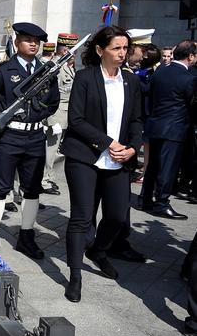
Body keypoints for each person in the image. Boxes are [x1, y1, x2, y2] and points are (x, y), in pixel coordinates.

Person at [59, 26, 142, 302]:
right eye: (116, 48)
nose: (122, 54)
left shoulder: (131, 82)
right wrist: (109, 143)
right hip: (85, 155)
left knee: (118, 215)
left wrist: (132, 148)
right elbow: (77, 120)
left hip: (120, 159)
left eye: (125, 48)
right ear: (100, 50)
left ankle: (99, 250)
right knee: (82, 218)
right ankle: (75, 275)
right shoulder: (85, 78)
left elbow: (137, 121)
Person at [0, 22, 60, 256]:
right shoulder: (3, 70)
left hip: (35, 136)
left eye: (37, 41)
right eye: (27, 39)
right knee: (0, 188)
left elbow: (52, 103)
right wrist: (1, 120)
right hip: (10, 135)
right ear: (17, 42)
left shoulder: (46, 72)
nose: (33, 44)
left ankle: (26, 236)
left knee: (32, 189)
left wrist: (36, 113)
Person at [139, 40, 197, 219]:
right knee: (168, 168)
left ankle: (146, 199)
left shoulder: (160, 72)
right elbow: (192, 105)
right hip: (175, 128)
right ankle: (162, 203)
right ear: (191, 56)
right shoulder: (189, 78)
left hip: (155, 125)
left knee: (153, 166)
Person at [41, 34, 80, 195]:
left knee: (57, 151)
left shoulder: (69, 66)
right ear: (65, 50)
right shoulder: (55, 67)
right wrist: (50, 120)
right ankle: (44, 180)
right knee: (50, 151)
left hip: (65, 116)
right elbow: (47, 95)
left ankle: (49, 178)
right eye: (73, 51)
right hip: (56, 116)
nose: (75, 55)